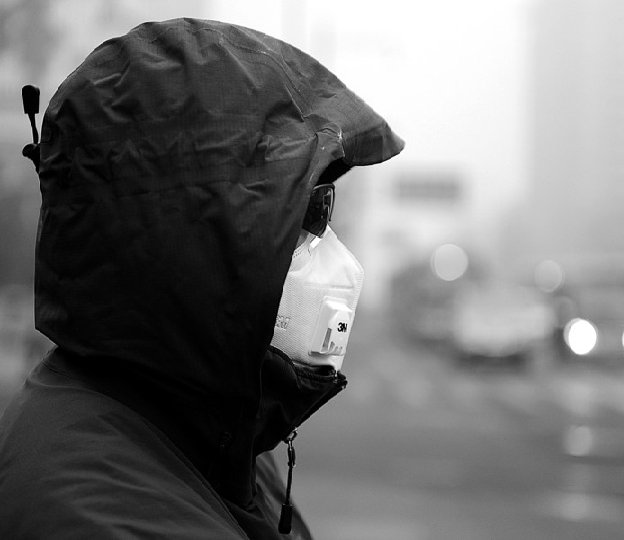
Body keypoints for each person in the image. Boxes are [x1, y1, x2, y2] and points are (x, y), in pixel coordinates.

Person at [0, 18, 403, 538]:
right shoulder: (102, 514)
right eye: (305, 211)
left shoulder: (210, 430)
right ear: (193, 234)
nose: (334, 254)